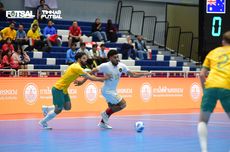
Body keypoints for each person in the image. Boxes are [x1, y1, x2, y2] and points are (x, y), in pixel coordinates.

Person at [75, 50, 151, 129]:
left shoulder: (122, 66)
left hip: (113, 90)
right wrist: (82, 82)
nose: (117, 59)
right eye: (115, 57)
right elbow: (91, 72)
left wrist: (145, 74)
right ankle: (104, 114)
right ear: (110, 58)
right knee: (123, 104)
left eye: (117, 57)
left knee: (112, 107)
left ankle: (102, 123)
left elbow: (133, 74)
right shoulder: (105, 66)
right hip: (107, 91)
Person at [39, 52, 111, 130]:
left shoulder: (77, 67)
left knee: (67, 107)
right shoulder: (77, 67)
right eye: (84, 58)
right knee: (58, 110)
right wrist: (104, 79)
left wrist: (79, 81)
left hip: (64, 89)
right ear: (78, 59)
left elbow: (78, 75)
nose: (85, 60)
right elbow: (91, 77)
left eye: (86, 58)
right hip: (58, 89)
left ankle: (47, 108)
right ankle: (43, 122)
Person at [198, 31, 230, 152]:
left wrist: (205, 90)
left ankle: (204, 150)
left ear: (223, 42)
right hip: (227, 86)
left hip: (211, 86)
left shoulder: (213, 52)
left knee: (202, 121)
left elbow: (201, 74)